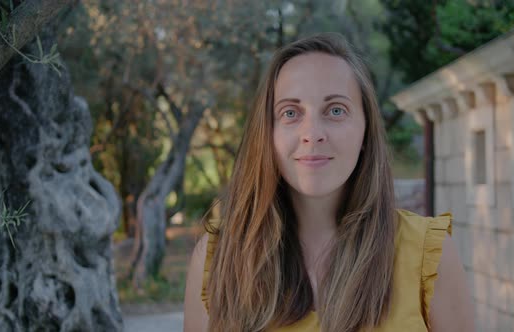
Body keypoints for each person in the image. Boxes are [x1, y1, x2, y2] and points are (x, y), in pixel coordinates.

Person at [184, 33, 474, 332]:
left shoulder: (429, 255)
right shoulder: (217, 258)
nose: (312, 133)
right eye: (290, 113)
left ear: (366, 132)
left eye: (336, 110)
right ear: (267, 135)